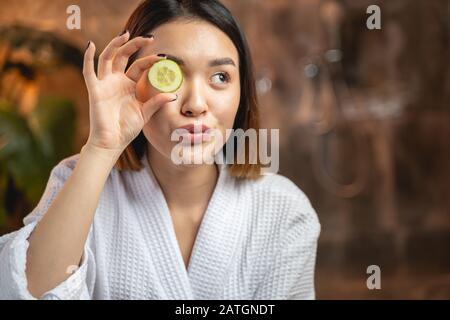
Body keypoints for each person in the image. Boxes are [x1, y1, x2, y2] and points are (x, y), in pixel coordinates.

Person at [0, 0, 320, 299]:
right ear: (132, 84)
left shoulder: (285, 211)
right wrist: (102, 147)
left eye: (220, 76)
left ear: (242, 92)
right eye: (170, 75)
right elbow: (31, 290)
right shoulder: (78, 180)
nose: (195, 104)